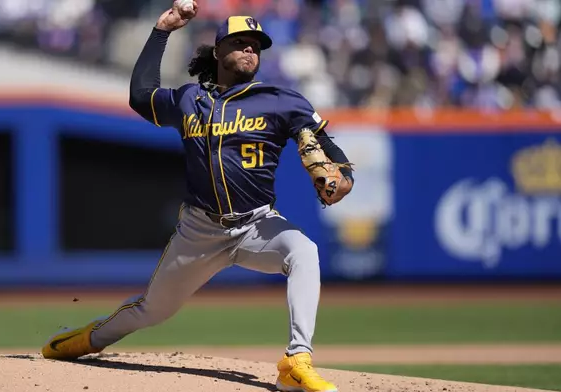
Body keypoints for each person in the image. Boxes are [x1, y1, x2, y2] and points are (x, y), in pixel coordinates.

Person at [41, 2, 354, 391]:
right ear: (219, 49)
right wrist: (161, 31)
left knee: (304, 252)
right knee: (151, 310)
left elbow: (323, 142)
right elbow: (141, 95)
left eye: (256, 45)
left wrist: (345, 173)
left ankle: (297, 360)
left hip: (259, 225)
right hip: (200, 230)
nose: (250, 50)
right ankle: (87, 338)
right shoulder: (190, 99)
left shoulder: (281, 100)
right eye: (241, 43)